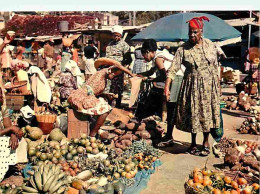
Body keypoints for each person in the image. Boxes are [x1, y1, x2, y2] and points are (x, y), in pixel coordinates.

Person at [165, 16, 220, 156]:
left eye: (195, 32)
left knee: (207, 114)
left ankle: (206, 142)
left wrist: (218, 86)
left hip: (209, 86)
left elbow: (215, 67)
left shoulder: (210, 45)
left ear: (201, 31)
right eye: (190, 32)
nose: (192, 35)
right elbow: (172, 69)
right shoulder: (183, 49)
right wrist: (167, 86)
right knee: (193, 115)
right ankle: (193, 143)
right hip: (191, 86)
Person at [68, 58, 135, 137]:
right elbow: (118, 66)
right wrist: (132, 75)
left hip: (85, 96)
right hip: (82, 97)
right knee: (106, 109)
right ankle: (93, 134)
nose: (113, 77)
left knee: (102, 104)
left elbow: (94, 91)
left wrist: (105, 95)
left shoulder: (104, 78)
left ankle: (94, 130)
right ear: (110, 70)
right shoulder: (102, 72)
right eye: (114, 74)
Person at [135, 39, 171, 119]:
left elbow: (163, 76)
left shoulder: (158, 58)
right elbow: (151, 72)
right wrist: (139, 75)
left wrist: (151, 80)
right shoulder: (157, 56)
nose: (144, 58)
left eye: (144, 55)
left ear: (148, 51)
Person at [0, 87, 24, 181]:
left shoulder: (2, 107)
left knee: (20, 139)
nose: (1, 97)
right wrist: (12, 129)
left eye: (1, 95)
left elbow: (7, 124)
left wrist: (13, 134)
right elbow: (10, 127)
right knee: (3, 143)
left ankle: (11, 168)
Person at [106, 25, 132, 108]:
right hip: (109, 70)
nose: (116, 37)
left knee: (118, 90)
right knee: (109, 89)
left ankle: (118, 106)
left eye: (118, 35)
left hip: (119, 71)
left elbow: (128, 60)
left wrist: (121, 68)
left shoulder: (124, 45)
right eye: (114, 35)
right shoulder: (109, 44)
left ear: (120, 35)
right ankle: (109, 106)